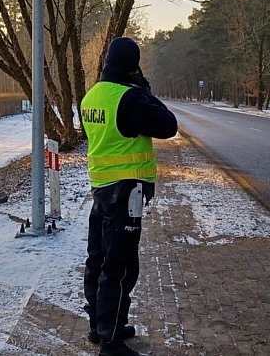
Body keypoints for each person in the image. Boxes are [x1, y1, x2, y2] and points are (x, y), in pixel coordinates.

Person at [80, 37, 177, 356]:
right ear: (132, 66)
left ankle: (101, 326)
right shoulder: (131, 99)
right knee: (120, 266)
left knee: (98, 258)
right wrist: (145, 90)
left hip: (101, 190)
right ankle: (111, 343)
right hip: (127, 192)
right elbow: (168, 125)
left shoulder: (92, 97)